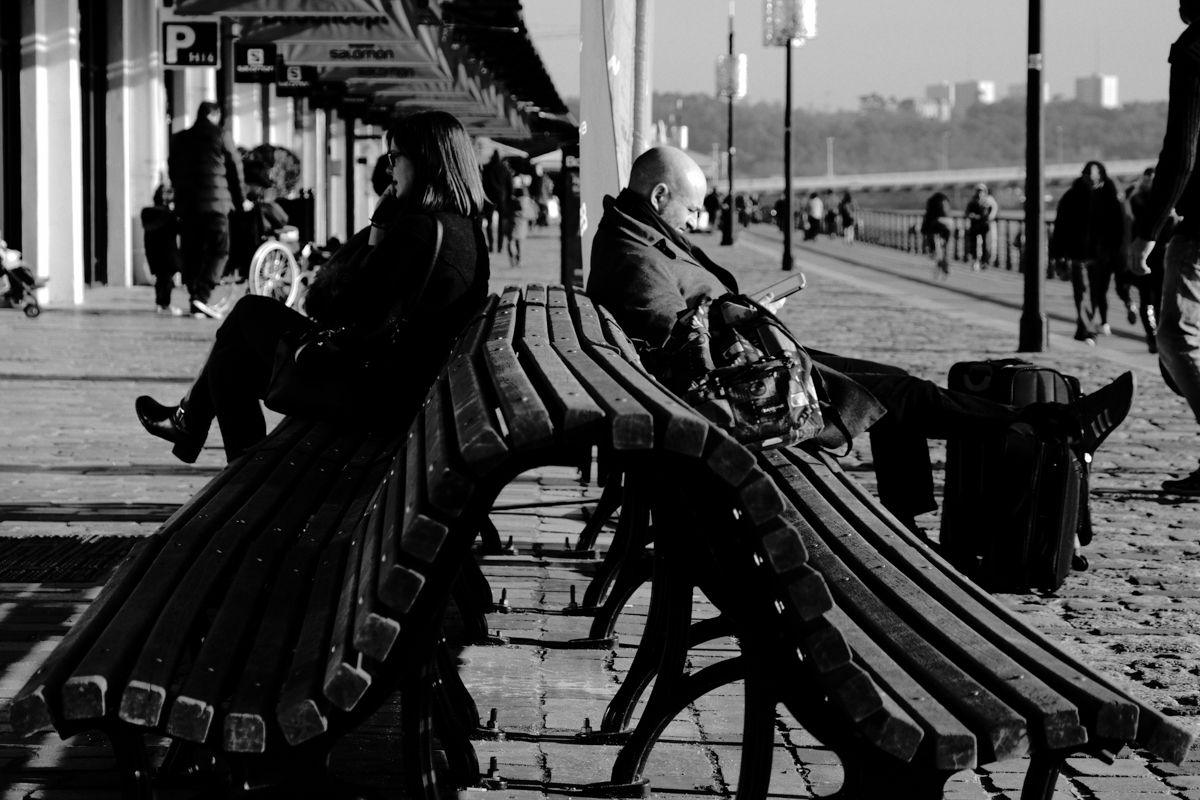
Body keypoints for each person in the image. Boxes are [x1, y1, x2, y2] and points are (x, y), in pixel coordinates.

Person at [587, 146, 1135, 532]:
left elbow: (680, 329)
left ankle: (919, 510)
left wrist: (740, 312)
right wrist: (734, 315)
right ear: (661, 195)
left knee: (894, 385)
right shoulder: (635, 255)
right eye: (690, 209)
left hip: (753, 367)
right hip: (743, 394)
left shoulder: (636, 236)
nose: (694, 221)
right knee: (899, 396)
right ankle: (1053, 428)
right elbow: (678, 348)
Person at [135, 110, 490, 463]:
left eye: (395, 158)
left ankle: (189, 423)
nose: (389, 170)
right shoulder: (463, 228)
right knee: (231, 364)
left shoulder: (417, 231)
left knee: (247, 311)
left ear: (425, 161)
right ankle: (238, 465)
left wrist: (377, 235)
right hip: (402, 387)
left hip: (375, 393)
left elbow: (331, 306)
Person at [1131, 0, 1200, 494]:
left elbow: (1182, 150)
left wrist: (1148, 231)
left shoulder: (1195, 47)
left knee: (1176, 339)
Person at [168, 101, 247, 320]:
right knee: (219, 251)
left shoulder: (179, 138)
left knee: (191, 252)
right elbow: (235, 169)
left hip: (188, 206)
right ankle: (201, 296)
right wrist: (241, 201)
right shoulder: (221, 135)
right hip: (216, 206)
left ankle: (195, 296)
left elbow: (172, 170)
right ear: (215, 115)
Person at [1050, 161, 1128, 345]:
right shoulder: (1072, 196)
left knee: (1096, 291)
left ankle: (1085, 327)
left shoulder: (1110, 197)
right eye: (1086, 175)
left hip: (1102, 255)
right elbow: (1061, 226)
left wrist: (1118, 253)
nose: (1089, 179)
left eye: (1092, 176)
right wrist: (1058, 253)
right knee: (1082, 291)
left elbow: (1121, 228)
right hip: (1078, 253)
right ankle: (1087, 328)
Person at [1127, 168, 1176, 353]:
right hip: (1147, 256)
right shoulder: (1138, 201)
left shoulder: (1168, 201)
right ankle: (1153, 334)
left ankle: (1156, 335)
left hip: (1161, 257)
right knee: (1149, 298)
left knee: (1158, 299)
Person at [141, 185, 183, 316]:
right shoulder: (169, 216)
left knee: (160, 279)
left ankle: (160, 303)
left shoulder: (147, 213)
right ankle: (165, 304)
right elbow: (180, 229)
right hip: (167, 253)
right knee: (167, 280)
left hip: (152, 252)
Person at [481, 151, 513, 254]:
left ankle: (491, 245)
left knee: (489, 223)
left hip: (489, 198)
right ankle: (500, 246)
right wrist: (508, 198)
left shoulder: (486, 168)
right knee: (500, 223)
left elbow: (482, 183)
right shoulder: (505, 169)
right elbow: (510, 185)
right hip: (501, 198)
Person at [964, 184, 998, 270]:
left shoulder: (988, 200)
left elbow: (994, 207)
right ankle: (975, 260)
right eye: (978, 191)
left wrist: (991, 216)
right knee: (974, 244)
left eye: (981, 191)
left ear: (984, 192)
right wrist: (971, 215)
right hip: (975, 225)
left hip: (984, 225)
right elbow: (967, 212)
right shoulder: (972, 201)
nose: (980, 193)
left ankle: (985, 261)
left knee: (986, 243)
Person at [922, 191, 954, 275]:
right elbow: (949, 214)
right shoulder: (946, 201)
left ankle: (933, 253)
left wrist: (924, 230)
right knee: (948, 244)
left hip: (936, 223)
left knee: (931, 236)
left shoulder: (931, 203)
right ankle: (947, 263)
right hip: (948, 223)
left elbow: (927, 218)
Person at [508, 185, 538, 268]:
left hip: (512, 224)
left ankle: (512, 259)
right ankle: (519, 260)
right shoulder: (528, 202)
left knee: (510, 242)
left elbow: (506, 211)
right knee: (519, 243)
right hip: (522, 224)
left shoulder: (512, 201)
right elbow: (532, 215)